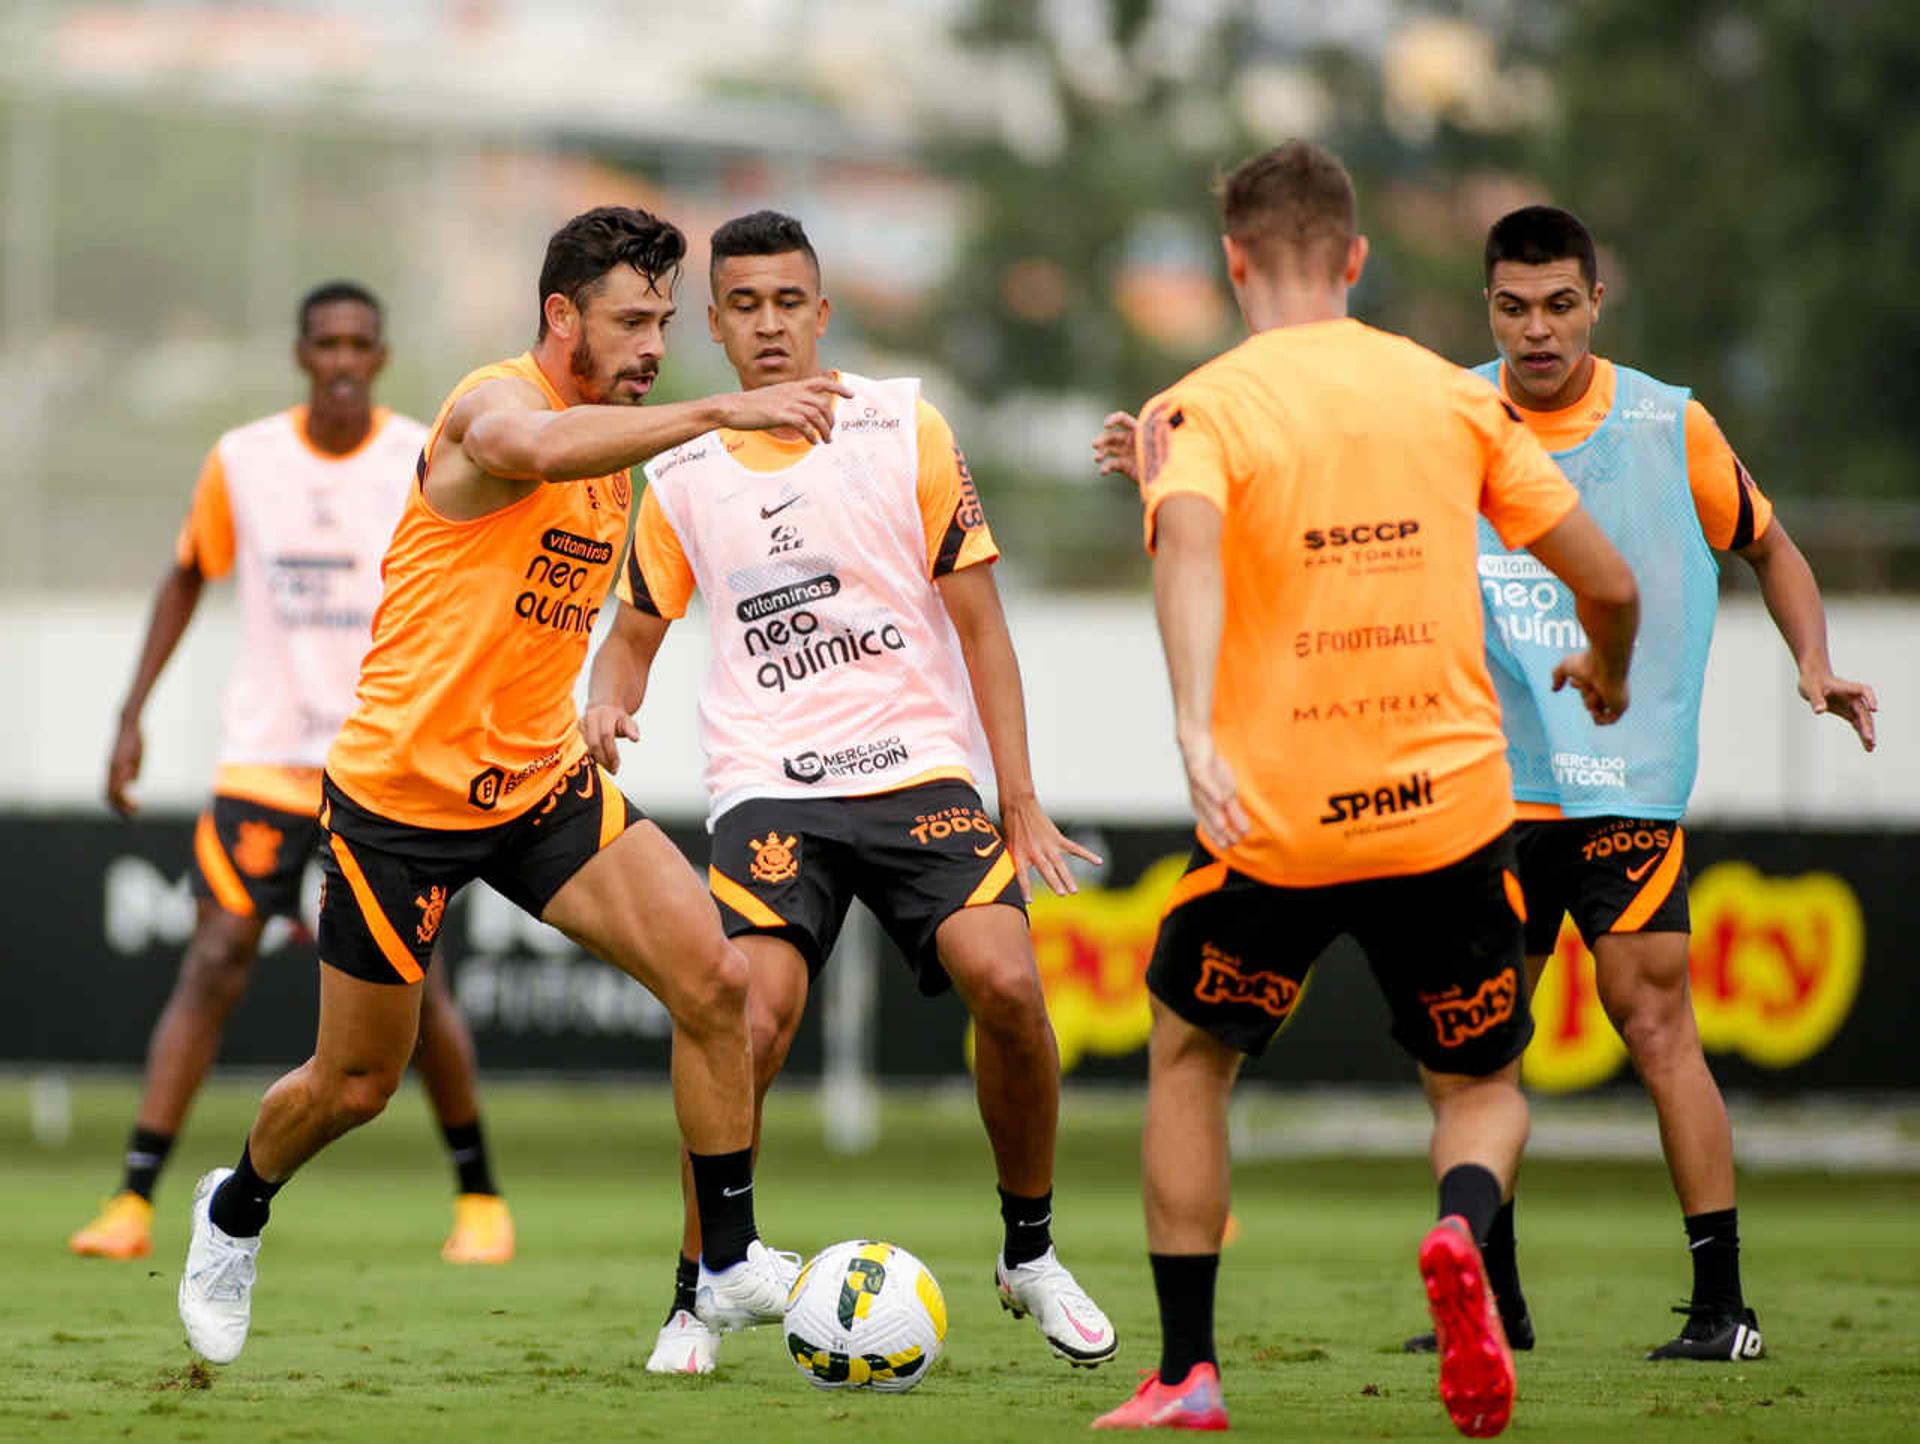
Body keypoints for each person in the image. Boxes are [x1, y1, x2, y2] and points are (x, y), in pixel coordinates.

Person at [174, 206, 851, 1366]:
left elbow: (549, 606)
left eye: (664, 323)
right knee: (354, 1083)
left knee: (717, 982)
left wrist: (597, 698)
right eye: (631, 322)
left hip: (540, 783)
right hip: (401, 801)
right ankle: (233, 1209)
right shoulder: (496, 406)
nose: (653, 346)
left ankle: (728, 1263)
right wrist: (728, 407)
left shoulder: (614, 452)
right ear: (560, 317)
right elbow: (527, 452)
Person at [1087, 142, 1639, 1437]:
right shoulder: (1449, 395)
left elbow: (1193, 568)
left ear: (1231, 264)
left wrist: (1190, 729)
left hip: (1278, 815)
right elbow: (1609, 584)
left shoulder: (1200, 408)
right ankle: (1458, 1231)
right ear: (1354, 259)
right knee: (1481, 1086)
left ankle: (1186, 1373)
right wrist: (1601, 674)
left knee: (1188, 1055)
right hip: (1447, 814)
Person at [583, 210, 1118, 1378]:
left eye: (788, 302)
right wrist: (602, 700)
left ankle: (1029, 1251)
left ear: (821, 313)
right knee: (744, 1021)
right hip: (771, 786)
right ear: (714, 325)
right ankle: (701, 1287)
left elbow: (981, 622)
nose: (768, 324)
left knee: (1011, 985)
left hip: (918, 770)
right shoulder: (678, 471)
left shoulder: (902, 426)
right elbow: (632, 636)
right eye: (743, 305)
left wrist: (1017, 792)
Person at [1399, 204, 1877, 1364]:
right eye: (1513, 306)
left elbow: (1770, 545)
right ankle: (1492, 1308)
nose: (1537, 329)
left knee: (1658, 1027)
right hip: (1489, 791)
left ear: (1596, 302)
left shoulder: (1671, 423)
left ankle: (1724, 1310)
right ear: (1488, 308)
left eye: (1560, 303)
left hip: (1626, 783)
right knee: (1472, 1051)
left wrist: (1812, 662)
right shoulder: (1445, 416)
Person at [71, 282, 514, 1267]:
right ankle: (134, 1195)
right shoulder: (245, 458)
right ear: (303, 354)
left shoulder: (421, 453)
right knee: (216, 956)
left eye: (362, 343)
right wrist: (131, 713)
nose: (345, 359)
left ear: (383, 356)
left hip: (388, 765)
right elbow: (189, 571)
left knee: (418, 988)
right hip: (267, 760)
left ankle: (481, 1197)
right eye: (328, 344)